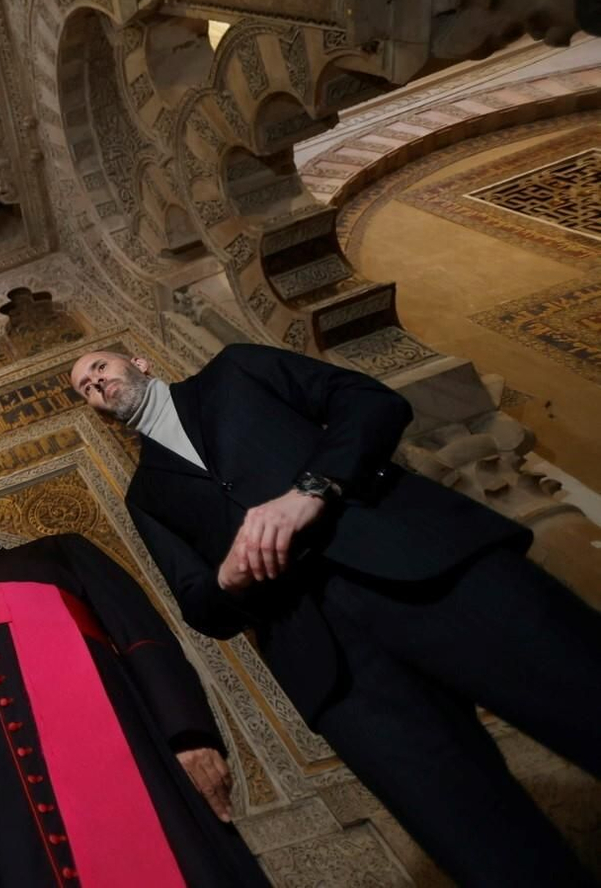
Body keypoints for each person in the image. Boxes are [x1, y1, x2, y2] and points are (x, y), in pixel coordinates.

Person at [71, 343, 601, 887]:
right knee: (484, 845)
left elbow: (371, 402)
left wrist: (312, 489)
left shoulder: (235, 370)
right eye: (86, 388)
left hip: (428, 569)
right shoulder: (146, 495)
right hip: (333, 665)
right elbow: (201, 607)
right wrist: (227, 577)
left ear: (140, 362)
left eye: (100, 368)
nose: (97, 384)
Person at [0, 485, 267, 888]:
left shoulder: (61, 553)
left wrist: (189, 735)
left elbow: (142, 639)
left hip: (126, 765)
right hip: (10, 822)